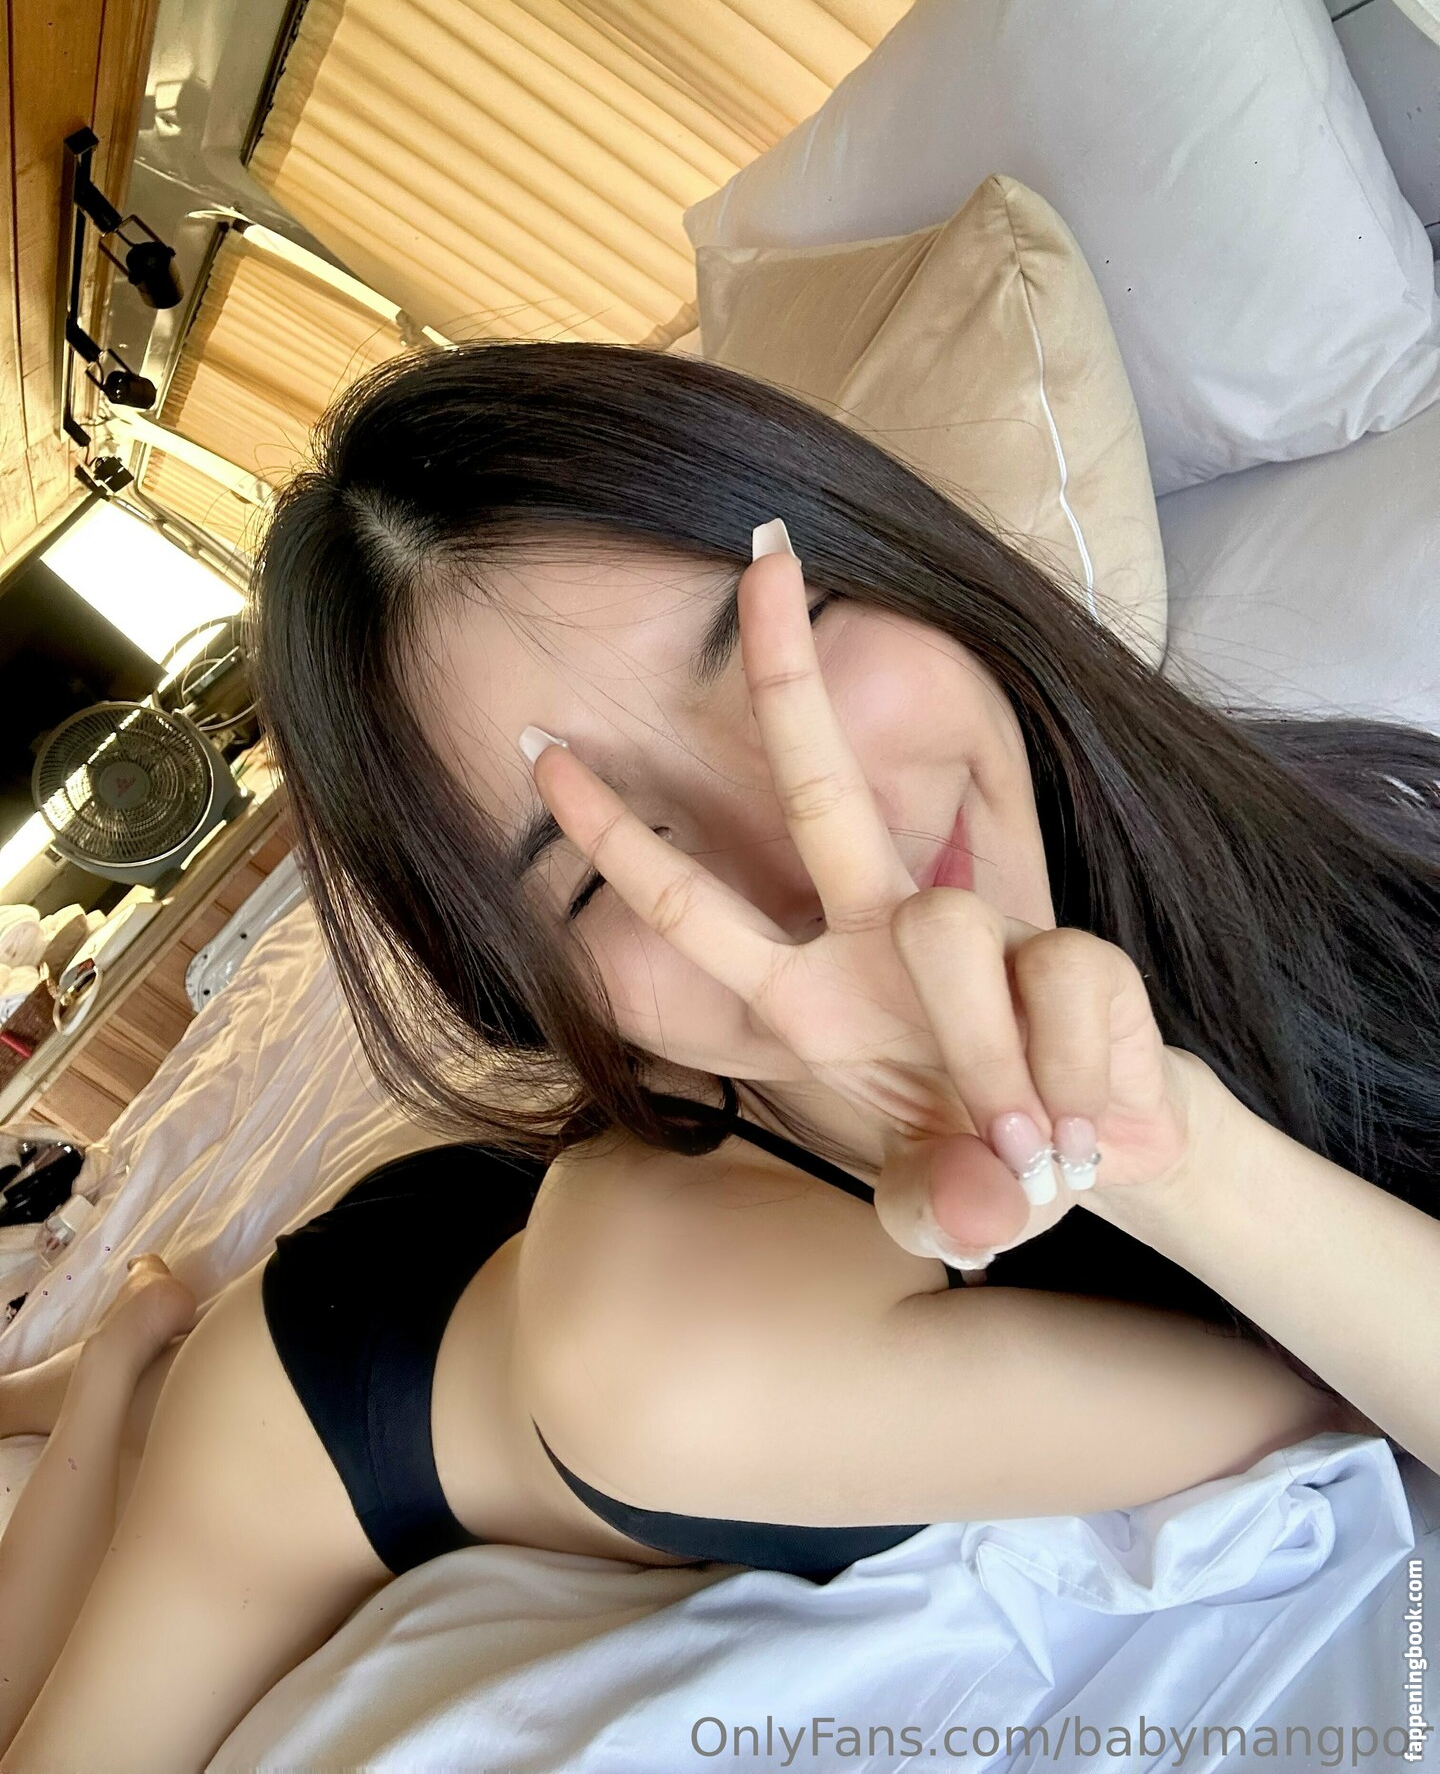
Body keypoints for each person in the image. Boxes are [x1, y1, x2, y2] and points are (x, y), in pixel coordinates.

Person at [2, 340, 1435, 1772]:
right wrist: (1158, 1161)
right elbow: (1354, 1385)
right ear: (533, 993)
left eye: (775, 653)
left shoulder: (1260, 825)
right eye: (599, 871)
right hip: (315, 1401)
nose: (811, 854)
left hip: (517, 1224)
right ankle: (121, 1354)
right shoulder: (677, 1371)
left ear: (889, 546)